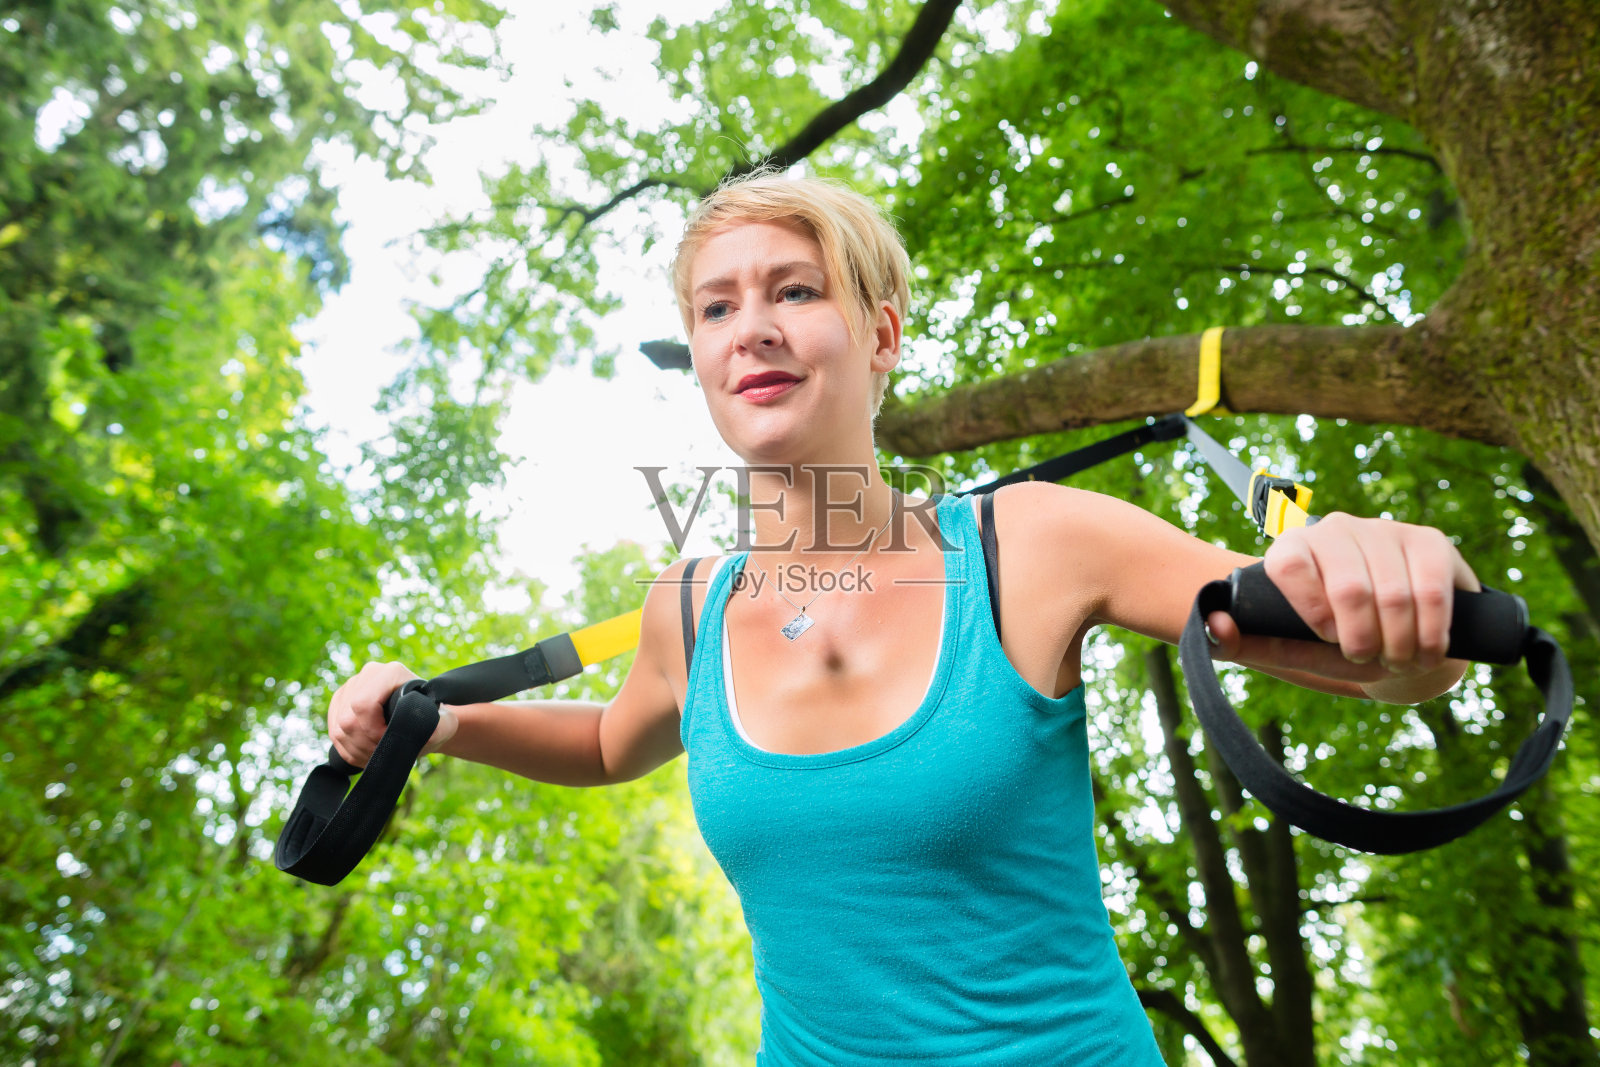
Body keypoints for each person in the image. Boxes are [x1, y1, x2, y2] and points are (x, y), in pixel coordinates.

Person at [327, 172, 1478, 1065]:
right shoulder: (688, 600)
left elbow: (1384, 665)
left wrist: (1400, 584)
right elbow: (605, 740)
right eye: (716, 307)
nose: (751, 327)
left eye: (794, 289)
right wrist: (442, 723)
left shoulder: (1030, 545)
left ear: (878, 335)